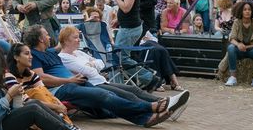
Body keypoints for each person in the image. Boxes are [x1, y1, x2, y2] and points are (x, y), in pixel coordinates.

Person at [26, 25, 169, 126]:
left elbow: (61, 45)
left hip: (75, 83)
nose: (49, 36)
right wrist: (68, 79)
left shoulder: (50, 52)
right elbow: (42, 78)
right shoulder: (34, 55)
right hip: (61, 89)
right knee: (104, 96)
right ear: (40, 39)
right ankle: (149, 107)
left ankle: (144, 118)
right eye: (46, 34)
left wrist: (71, 34)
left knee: (108, 96)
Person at [55, 27, 189, 118]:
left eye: (79, 37)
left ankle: (166, 103)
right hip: (92, 85)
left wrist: (92, 64)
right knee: (127, 94)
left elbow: (100, 63)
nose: (79, 40)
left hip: (100, 80)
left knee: (133, 89)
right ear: (66, 40)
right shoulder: (64, 57)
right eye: (75, 38)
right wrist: (91, 64)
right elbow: (88, 71)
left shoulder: (78, 53)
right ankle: (164, 106)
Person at [224, 1, 253, 88]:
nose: (247, 11)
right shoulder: (237, 22)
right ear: (240, 11)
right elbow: (231, 38)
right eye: (245, 9)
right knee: (231, 47)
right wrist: (238, 45)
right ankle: (233, 77)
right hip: (240, 51)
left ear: (252, 11)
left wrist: (247, 47)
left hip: (252, 51)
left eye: (249, 10)